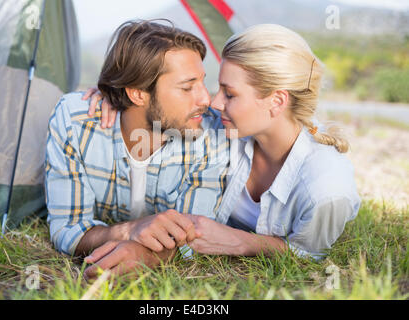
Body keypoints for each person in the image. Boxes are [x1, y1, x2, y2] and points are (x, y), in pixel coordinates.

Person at [87, 24, 361, 261]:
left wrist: (244, 242)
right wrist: (116, 95)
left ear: (277, 101)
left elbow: (308, 252)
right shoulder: (224, 130)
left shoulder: (326, 192)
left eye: (230, 94)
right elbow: (162, 105)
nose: (214, 103)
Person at [45, 20, 230, 279]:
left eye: (202, 82)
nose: (205, 99)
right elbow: (67, 228)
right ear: (137, 94)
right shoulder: (75, 122)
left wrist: (146, 254)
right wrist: (128, 231)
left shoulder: (211, 133)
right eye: (187, 87)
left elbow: (196, 234)